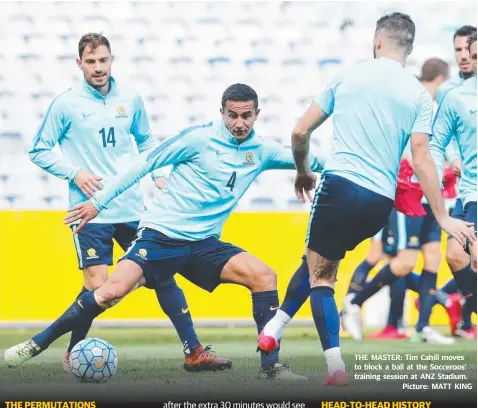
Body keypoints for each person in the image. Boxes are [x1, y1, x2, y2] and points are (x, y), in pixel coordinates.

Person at [4, 84, 325, 380]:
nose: (239, 123)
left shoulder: (263, 151)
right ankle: (36, 344)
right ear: (222, 112)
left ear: (257, 114)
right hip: (161, 236)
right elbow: (143, 164)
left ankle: (270, 367)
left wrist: (355, 167)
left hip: (203, 244)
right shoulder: (197, 140)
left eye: (246, 115)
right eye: (232, 115)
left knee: (264, 276)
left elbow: (313, 160)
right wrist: (99, 202)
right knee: (108, 293)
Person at [257, 12, 475, 385]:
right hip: (379, 203)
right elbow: (422, 158)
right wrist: (441, 217)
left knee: (321, 275)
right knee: (319, 261)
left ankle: (334, 367)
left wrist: (303, 170)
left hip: (340, 186)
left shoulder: (349, 74)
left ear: (377, 41)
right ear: (409, 48)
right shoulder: (418, 95)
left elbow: (298, 131)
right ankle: (274, 330)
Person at [27, 32, 231, 372]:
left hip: (132, 207)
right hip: (89, 209)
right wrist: (74, 172)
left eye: (103, 60)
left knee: (163, 277)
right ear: (79, 64)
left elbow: (147, 141)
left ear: (112, 60)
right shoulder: (65, 104)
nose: (97, 67)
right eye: (90, 62)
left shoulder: (131, 99)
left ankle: (193, 350)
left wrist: (158, 175)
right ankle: (74, 351)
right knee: (98, 287)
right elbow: (39, 148)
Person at [342, 58, 457, 344]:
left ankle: (423, 328)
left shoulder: (434, 107)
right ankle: (354, 302)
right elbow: (410, 149)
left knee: (432, 258)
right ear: (442, 80)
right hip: (410, 193)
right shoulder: (413, 101)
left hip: (432, 194)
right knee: (405, 262)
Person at [430, 31, 477, 316]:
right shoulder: (453, 95)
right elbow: (437, 142)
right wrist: (446, 164)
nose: (466, 58)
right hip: (468, 190)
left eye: (469, 53)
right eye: (468, 54)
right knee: (455, 256)